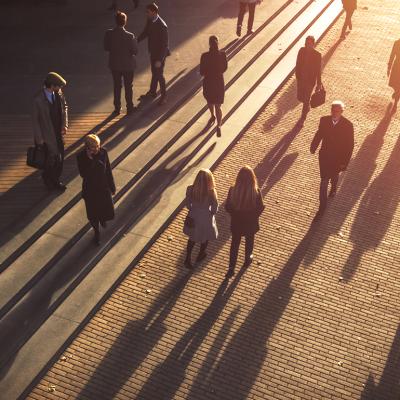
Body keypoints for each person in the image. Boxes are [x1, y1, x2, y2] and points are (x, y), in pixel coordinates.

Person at [310, 101, 354, 221]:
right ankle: (322, 208)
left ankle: (334, 186)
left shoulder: (348, 125)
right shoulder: (324, 120)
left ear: (341, 112)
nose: (334, 113)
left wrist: (345, 162)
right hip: (324, 157)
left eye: (337, 111)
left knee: (334, 176)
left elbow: (349, 146)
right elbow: (319, 134)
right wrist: (313, 146)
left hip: (337, 159)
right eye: (333, 111)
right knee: (324, 181)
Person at [225, 166, 265, 278]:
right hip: (250, 223)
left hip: (236, 222)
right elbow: (261, 207)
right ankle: (247, 258)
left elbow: (228, 206)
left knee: (234, 244)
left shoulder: (233, 190)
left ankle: (231, 267)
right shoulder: (255, 191)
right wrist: (253, 216)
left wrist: (234, 214)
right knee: (249, 240)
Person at [32, 72, 68, 192]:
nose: (60, 88)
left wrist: (65, 125)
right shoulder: (38, 100)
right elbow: (35, 121)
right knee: (50, 159)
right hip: (46, 135)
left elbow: (65, 108)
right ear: (52, 85)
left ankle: (55, 179)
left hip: (58, 132)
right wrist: (39, 139)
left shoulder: (59, 94)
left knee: (60, 157)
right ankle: (50, 181)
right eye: (59, 86)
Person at [77, 135, 116, 245]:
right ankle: (96, 232)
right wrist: (90, 160)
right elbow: (83, 174)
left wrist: (112, 186)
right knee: (93, 214)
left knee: (105, 209)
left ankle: (102, 219)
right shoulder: (81, 156)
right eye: (94, 147)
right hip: (90, 190)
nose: (97, 149)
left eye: (98, 146)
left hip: (103, 187)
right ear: (87, 147)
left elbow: (108, 169)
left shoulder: (103, 152)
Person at [104, 11, 138, 115]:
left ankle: (117, 108)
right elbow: (135, 51)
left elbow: (106, 47)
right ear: (125, 22)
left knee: (117, 86)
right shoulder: (130, 36)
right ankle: (130, 107)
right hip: (128, 65)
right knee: (128, 86)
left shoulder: (109, 33)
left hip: (115, 64)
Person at [183, 169, 219, 269]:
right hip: (206, 217)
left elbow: (187, 204)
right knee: (205, 236)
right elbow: (215, 206)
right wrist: (212, 213)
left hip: (194, 216)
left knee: (192, 238)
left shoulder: (190, 188)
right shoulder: (211, 192)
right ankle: (201, 254)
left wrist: (192, 210)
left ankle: (188, 258)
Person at [138, 3, 170, 106]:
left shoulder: (162, 25)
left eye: (148, 12)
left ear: (154, 12)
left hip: (160, 55)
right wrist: (136, 40)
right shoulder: (150, 20)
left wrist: (160, 60)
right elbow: (146, 32)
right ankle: (152, 92)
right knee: (154, 72)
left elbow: (165, 45)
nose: (146, 14)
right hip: (153, 51)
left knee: (159, 75)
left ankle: (164, 96)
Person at [200, 36, 228, 137]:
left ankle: (212, 116)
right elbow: (225, 68)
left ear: (209, 44)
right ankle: (219, 125)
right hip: (219, 82)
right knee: (218, 106)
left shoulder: (204, 56)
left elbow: (201, 71)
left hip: (208, 82)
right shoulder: (222, 54)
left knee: (210, 101)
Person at [295, 35, 322, 122]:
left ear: (313, 44)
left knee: (306, 99)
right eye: (307, 43)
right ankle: (306, 106)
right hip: (301, 78)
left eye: (310, 44)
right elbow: (298, 63)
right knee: (300, 97)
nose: (308, 46)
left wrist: (319, 83)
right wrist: (297, 75)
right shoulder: (301, 50)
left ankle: (303, 116)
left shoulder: (317, 55)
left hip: (310, 81)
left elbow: (318, 70)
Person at [388, 39, 400, 113]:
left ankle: (395, 102)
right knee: (397, 85)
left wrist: (389, 66)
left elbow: (392, 55)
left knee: (396, 84)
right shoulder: (396, 43)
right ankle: (396, 93)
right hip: (396, 67)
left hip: (396, 67)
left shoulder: (397, 43)